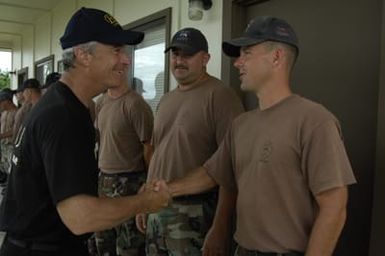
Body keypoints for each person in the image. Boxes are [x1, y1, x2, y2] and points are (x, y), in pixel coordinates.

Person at [152, 16, 357, 256]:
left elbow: (334, 205)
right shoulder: (241, 124)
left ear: (277, 57)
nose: (237, 63)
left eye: (246, 53)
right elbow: (214, 175)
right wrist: (165, 190)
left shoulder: (314, 120)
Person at [0, 7, 170, 256]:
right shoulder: (62, 115)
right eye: (116, 50)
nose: (126, 59)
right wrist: (145, 202)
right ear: (83, 55)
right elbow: (81, 218)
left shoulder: (65, 105)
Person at [136, 28, 244, 255]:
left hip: (195, 212)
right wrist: (146, 200)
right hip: (158, 206)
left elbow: (231, 167)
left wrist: (220, 227)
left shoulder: (221, 95)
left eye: (187, 54)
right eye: (175, 54)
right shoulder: (166, 99)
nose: (179, 60)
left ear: (205, 58)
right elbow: (156, 153)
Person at [94, 75, 153, 255]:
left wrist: (148, 183)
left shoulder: (135, 104)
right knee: (103, 241)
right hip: (104, 180)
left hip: (129, 181)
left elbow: (149, 147)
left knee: (128, 244)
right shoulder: (101, 103)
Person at [0, 89, 17, 174]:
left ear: (6, 101)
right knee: (5, 169)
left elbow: (16, 130)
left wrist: (2, 135)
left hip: (12, 145)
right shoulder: (3, 113)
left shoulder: (17, 112)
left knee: (12, 170)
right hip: (3, 146)